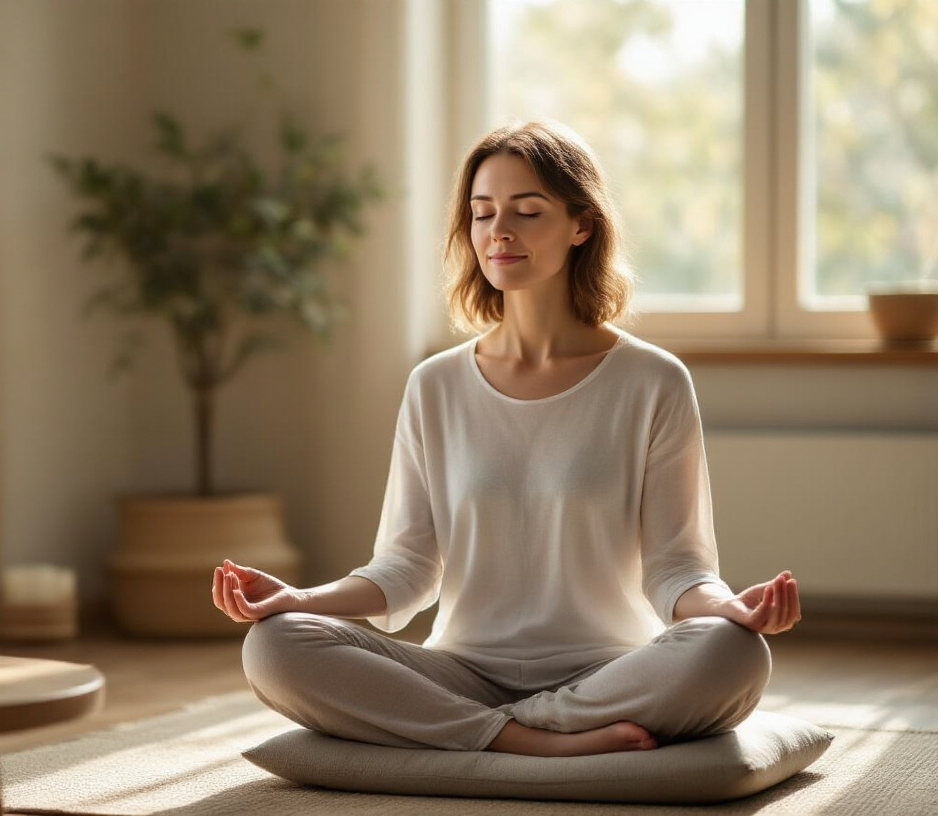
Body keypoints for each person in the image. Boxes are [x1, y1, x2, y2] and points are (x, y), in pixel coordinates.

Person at [211, 120, 801, 758]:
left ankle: (489, 730)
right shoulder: (435, 385)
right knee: (274, 643)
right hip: (460, 673)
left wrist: (728, 608)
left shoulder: (653, 381)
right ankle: (532, 740)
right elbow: (405, 570)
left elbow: (676, 569)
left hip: (608, 674)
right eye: (482, 212)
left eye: (527, 211)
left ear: (582, 225)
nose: (499, 232)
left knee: (732, 652)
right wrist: (300, 598)